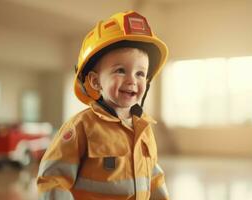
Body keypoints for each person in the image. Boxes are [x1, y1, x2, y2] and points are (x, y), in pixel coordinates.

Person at [37, 10, 169, 200]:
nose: (132, 80)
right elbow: (52, 179)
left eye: (140, 74)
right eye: (121, 70)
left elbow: (153, 176)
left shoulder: (143, 128)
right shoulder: (81, 127)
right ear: (95, 81)